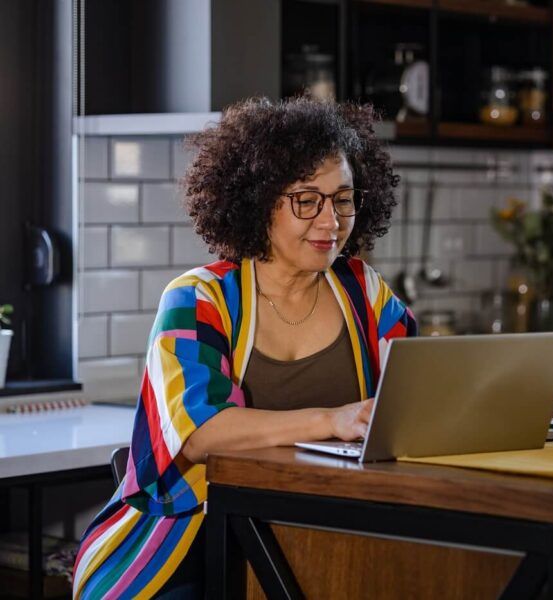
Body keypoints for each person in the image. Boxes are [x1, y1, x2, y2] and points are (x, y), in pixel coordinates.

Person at [73, 95, 417, 598]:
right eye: (306, 200)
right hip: (177, 555)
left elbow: (415, 398)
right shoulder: (198, 298)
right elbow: (200, 432)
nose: (331, 222)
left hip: (318, 541)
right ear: (258, 200)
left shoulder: (365, 292)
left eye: (342, 199)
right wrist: (332, 420)